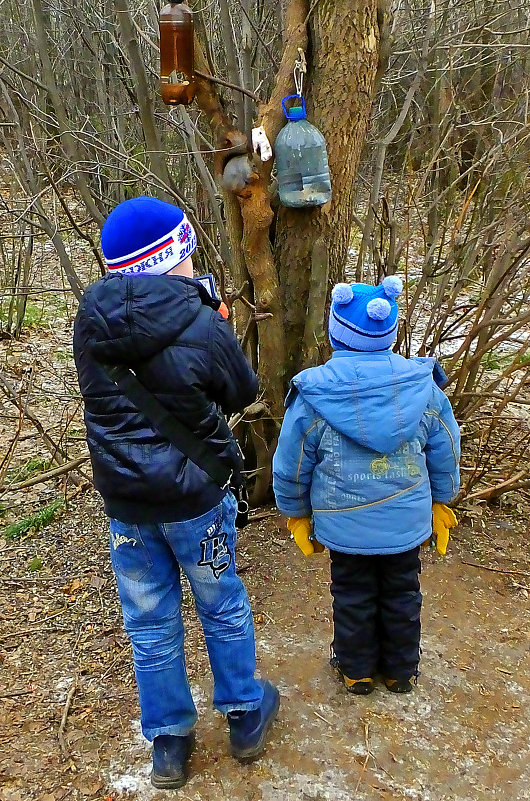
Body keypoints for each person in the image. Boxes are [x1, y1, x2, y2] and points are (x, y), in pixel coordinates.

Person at [73, 196, 279, 789]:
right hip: (196, 498)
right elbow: (240, 393)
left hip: (128, 504)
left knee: (149, 620)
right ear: (178, 254)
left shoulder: (91, 322)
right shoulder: (199, 321)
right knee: (222, 604)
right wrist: (213, 321)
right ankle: (244, 713)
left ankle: (168, 741)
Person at [272, 276, 460, 695]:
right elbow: (446, 448)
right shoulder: (422, 387)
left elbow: (292, 463)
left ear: (336, 329)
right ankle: (400, 671)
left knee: (353, 594)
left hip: (344, 526)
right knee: (402, 593)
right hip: (406, 523)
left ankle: (356, 670)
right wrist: (443, 499)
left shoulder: (315, 393)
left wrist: (296, 512)